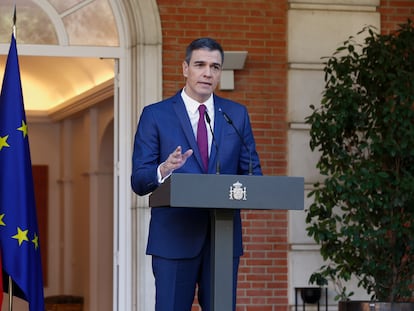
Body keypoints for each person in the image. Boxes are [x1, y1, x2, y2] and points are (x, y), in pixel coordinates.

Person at [131, 37, 262, 311]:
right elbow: (139, 180)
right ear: (185, 68)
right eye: (200, 65)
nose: (207, 73)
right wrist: (164, 169)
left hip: (223, 240)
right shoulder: (155, 115)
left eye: (215, 67)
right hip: (173, 239)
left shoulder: (235, 116)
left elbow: (253, 174)